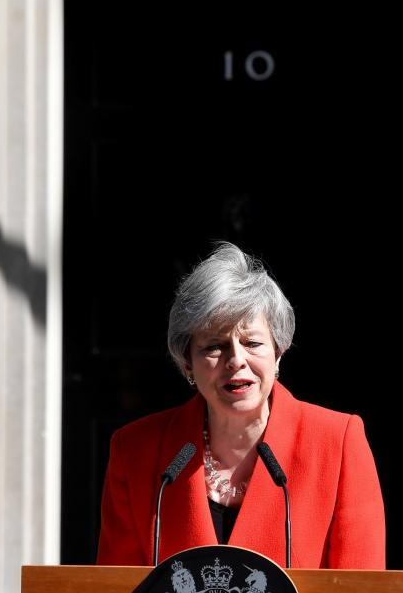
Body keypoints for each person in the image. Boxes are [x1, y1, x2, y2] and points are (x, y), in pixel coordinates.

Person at [96, 242, 386, 569]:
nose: (236, 360)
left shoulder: (338, 442)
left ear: (278, 352)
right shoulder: (135, 451)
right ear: (187, 363)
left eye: (252, 343)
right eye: (214, 346)